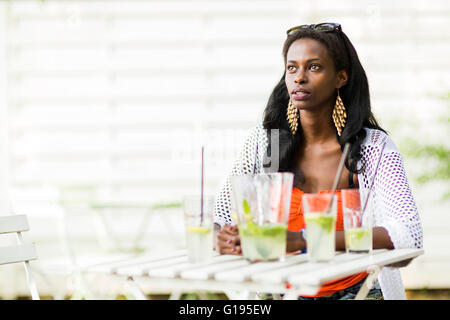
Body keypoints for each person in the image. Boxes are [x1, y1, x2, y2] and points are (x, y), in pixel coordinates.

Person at [213, 23, 423, 300]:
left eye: (314, 67)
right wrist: (220, 239)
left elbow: (408, 234)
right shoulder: (267, 144)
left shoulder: (372, 148)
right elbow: (220, 218)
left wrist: (302, 240)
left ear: (341, 77)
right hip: (280, 292)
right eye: (292, 68)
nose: (299, 77)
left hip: (358, 291)